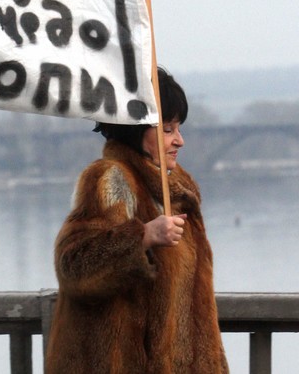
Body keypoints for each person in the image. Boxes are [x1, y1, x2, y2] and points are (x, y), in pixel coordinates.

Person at [45, 67, 229, 373]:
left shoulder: (175, 188)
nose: (179, 140)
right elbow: (74, 266)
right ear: (135, 129)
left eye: (178, 128)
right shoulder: (111, 178)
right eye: (167, 129)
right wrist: (141, 237)